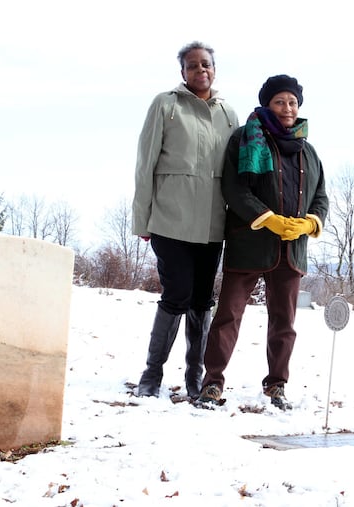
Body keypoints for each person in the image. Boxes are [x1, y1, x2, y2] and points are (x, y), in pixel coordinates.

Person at [197, 74, 329, 410]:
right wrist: (267, 217)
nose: (287, 108)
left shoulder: (308, 151)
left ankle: (276, 386)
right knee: (228, 315)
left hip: (291, 251)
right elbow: (234, 188)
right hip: (249, 245)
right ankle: (212, 383)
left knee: (284, 322)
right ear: (267, 104)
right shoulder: (246, 138)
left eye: (293, 102)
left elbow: (321, 198)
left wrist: (309, 223)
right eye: (280, 102)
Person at [132, 41, 239, 399]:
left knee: (202, 300)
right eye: (192, 65)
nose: (200, 70)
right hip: (169, 221)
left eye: (206, 64)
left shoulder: (228, 114)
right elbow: (145, 165)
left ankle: (196, 377)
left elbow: (237, 174)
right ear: (183, 72)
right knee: (177, 293)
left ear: (214, 69)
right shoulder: (166, 105)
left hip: (212, 226)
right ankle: (151, 376)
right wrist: (141, 219)